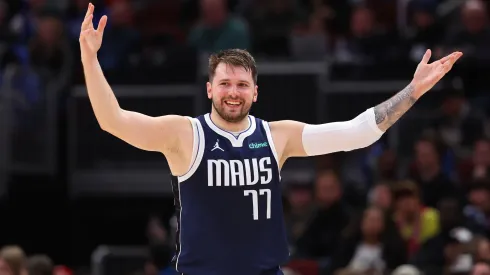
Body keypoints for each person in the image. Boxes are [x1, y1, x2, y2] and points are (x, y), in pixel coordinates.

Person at [79, 3, 462, 275]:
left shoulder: (277, 136)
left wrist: (412, 91)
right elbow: (112, 120)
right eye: (225, 83)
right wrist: (90, 60)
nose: (233, 91)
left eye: (242, 84)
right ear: (210, 89)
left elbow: (356, 134)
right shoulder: (184, 133)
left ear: (255, 92)